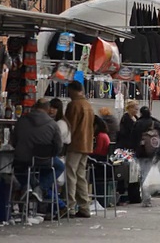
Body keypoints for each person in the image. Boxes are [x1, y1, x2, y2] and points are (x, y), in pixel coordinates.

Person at [11, 99, 63, 204]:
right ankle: (39, 188)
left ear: (34, 107)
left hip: (22, 159)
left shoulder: (21, 120)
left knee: (18, 168)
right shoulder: (53, 124)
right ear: (47, 108)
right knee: (60, 166)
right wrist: (51, 154)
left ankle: (27, 186)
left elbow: (13, 141)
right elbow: (58, 146)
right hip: (43, 159)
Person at [64, 80, 95, 218]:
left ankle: (69, 206)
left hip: (75, 144)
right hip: (86, 144)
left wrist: (64, 143)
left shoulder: (74, 105)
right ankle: (84, 206)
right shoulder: (88, 105)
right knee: (80, 175)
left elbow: (70, 126)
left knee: (70, 174)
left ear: (72, 90)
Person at [132, 106, 160, 207]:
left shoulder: (138, 124)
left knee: (143, 174)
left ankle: (146, 198)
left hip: (141, 152)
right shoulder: (155, 123)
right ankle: (148, 196)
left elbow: (133, 138)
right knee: (149, 172)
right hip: (153, 151)